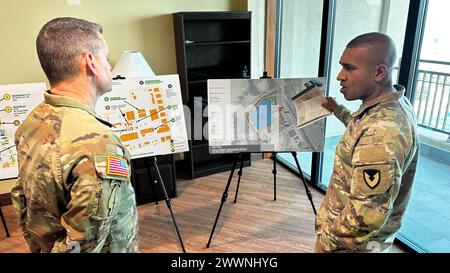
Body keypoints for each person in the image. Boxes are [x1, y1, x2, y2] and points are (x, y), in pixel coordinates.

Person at [11, 17, 139, 253]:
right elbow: (84, 243)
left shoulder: (31, 123)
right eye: (106, 58)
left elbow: (22, 202)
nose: (109, 66)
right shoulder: (98, 144)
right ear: (90, 61)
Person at [314, 32, 418, 253]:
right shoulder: (388, 106)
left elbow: (365, 216)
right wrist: (337, 110)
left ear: (379, 72)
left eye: (349, 68)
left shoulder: (381, 133)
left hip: (346, 247)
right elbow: (360, 126)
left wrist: (327, 242)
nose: (340, 76)